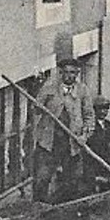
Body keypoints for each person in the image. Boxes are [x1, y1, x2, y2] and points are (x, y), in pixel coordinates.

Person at [30, 61, 91, 203]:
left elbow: (89, 115)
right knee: (41, 178)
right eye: (66, 72)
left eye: (73, 73)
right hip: (49, 141)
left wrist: (84, 135)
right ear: (61, 73)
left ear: (77, 74)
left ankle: (63, 208)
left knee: (73, 180)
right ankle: (39, 208)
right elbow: (36, 109)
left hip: (72, 142)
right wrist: (39, 102)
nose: (69, 76)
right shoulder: (49, 88)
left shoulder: (82, 90)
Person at [85, 95, 110, 192]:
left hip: (107, 158)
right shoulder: (91, 126)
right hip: (94, 160)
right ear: (95, 110)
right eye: (100, 109)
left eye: (106, 109)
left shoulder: (108, 125)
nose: (103, 112)